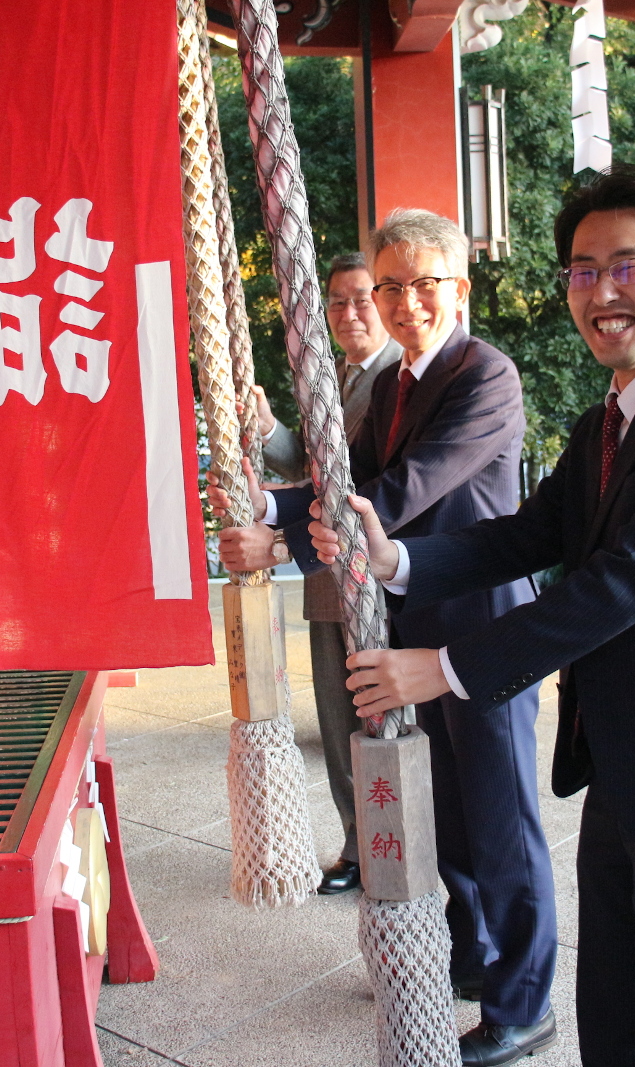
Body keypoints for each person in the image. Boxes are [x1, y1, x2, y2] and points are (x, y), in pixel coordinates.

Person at [309, 166, 635, 1067]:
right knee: (614, 1022)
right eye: (581, 270)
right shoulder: (602, 422)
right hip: (622, 770)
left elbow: (617, 585)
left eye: (626, 266)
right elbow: (525, 535)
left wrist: (446, 666)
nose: (601, 291)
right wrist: (399, 558)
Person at [214, 209, 558, 1065]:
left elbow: (401, 492)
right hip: (409, 624)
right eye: (392, 286)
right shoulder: (400, 381)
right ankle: (471, 960)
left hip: (481, 625)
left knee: (503, 817)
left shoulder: (488, 375)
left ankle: (525, 1000)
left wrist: (286, 542)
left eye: (424, 285)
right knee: (452, 811)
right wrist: (268, 507)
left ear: (459, 290)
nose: (407, 304)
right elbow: (348, 475)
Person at [255, 252, 402, 894]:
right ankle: (357, 843)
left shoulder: (399, 378)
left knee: (376, 723)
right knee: (338, 719)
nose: (348, 313)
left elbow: (361, 486)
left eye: (362, 298)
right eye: (336, 302)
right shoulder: (338, 377)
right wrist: (269, 431)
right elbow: (315, 470)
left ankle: (389, 844)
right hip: (325, 583)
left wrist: (279, 544)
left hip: (369, 578)